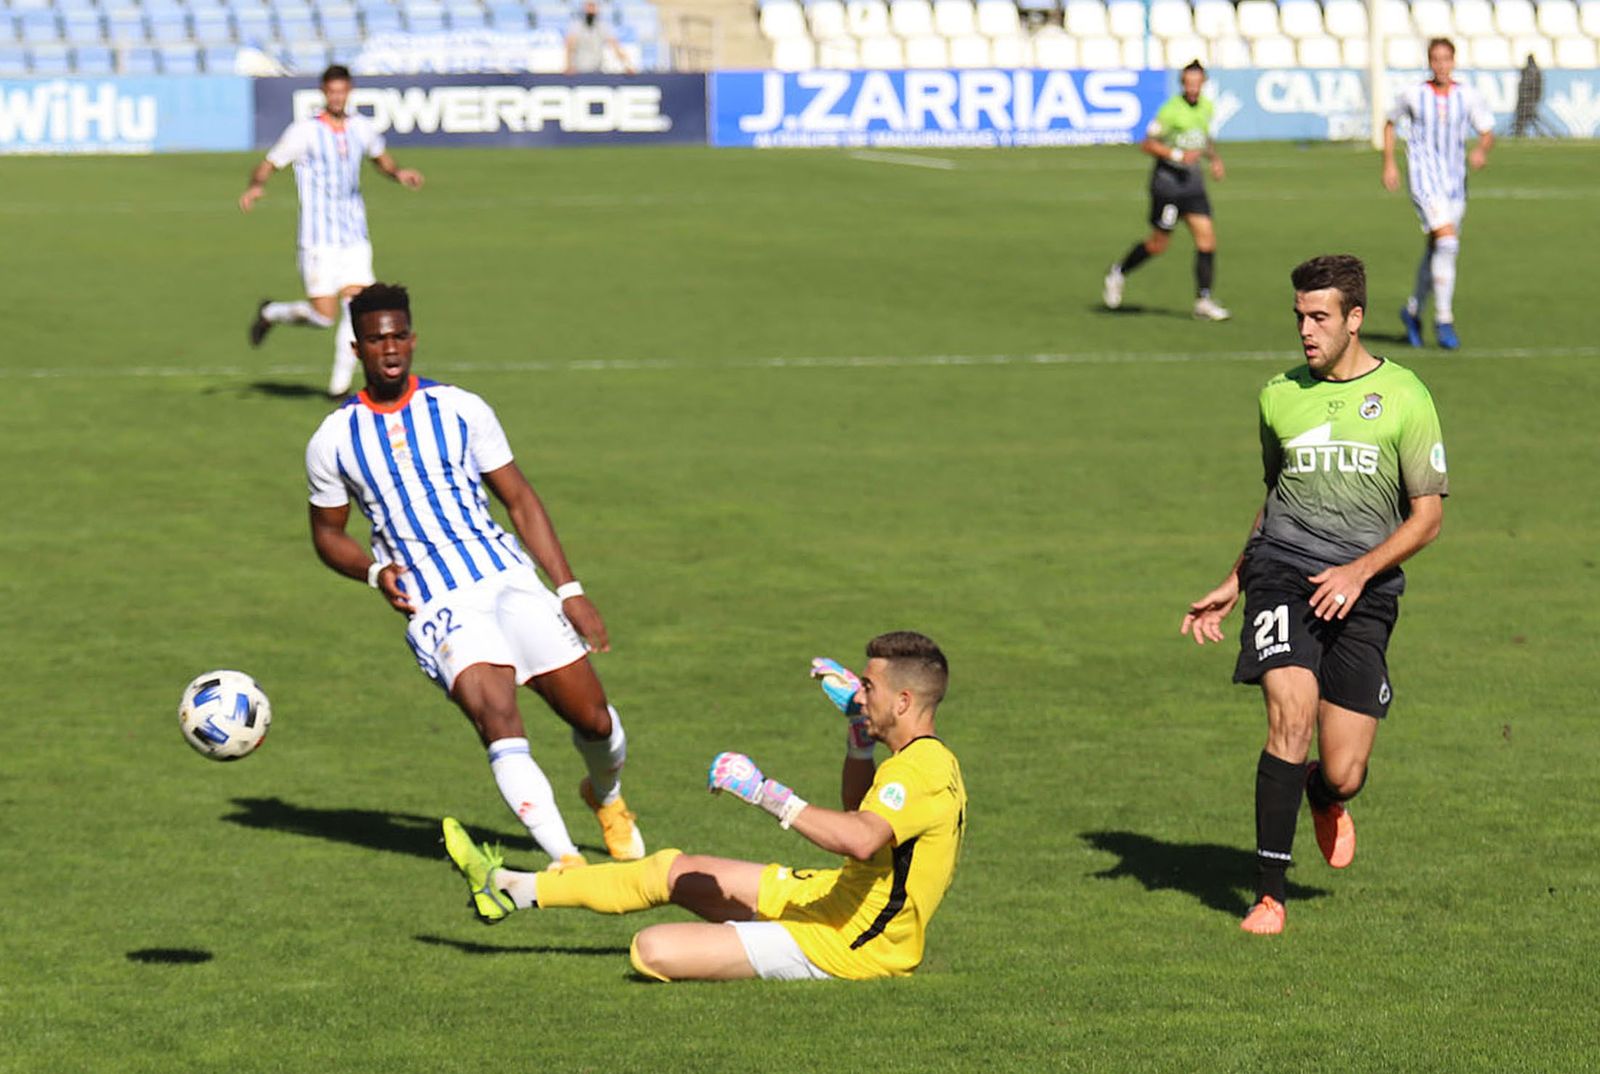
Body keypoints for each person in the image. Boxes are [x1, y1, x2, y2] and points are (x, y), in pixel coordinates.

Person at [305, 282, 644, 869]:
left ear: (413, 339)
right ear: (357, 348)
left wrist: (570, 591)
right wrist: (375, 570)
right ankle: (568, 865)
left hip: (507, 579)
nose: (390, 349)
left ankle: (606, 797)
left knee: (595, 720)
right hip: (437, 603)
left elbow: (519, 500)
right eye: (376, 339)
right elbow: (326, 535)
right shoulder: (332, 439)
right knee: (498, 719)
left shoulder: (462, 408)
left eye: (399, 336)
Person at [443, 632, 967, 982]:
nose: (859, 692)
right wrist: (858, 738)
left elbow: (859, 838)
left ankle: (763, 943)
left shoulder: (918, 771)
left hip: (853, 943)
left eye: (869, 687)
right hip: (837, 897)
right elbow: (860, 813)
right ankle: (510, 888)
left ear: (902, 701)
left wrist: (763, 790)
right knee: (674, 871)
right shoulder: (915, 762)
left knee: (652, 951)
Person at [1181, 255, 1449, 936]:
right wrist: (1236, 578)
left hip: (1366, 589)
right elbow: (1276, 500)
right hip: (1284, 575)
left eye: (1319, 317)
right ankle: (1269, 894)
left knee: (1346, 769)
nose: (1305, 329)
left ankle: (1324, 796)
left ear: (1355, 319)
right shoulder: (1278, 395)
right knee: (1289, 714)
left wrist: (1359, 573)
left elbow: (1428, 517)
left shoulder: (1406, 397)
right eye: (1299, 316)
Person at [240, 65, 424, 398]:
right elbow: (269, 163)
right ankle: (272, 312)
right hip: (317, 239)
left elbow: (379, 157)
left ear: (349, 91)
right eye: (332, 91)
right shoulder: (304, 132)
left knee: (357, 307)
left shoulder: (362, 128)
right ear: (324, 93)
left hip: (354, 235)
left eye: (343, 91)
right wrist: (255, 187)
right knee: (323, 316)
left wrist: (398, 174)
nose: (338, 97)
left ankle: (339, 388)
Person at [1382, 38, 1494, 351]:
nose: (1441, 65)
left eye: (1446, 59)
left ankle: (1413, 310)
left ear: (1454, 61)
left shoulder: (1468, 96)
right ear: (1429, 62)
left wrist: (1482, 151)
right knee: (1447, 242)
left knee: (1437, 249)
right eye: (1435, 59)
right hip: (1424, 179)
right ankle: (1444, 319)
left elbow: (1487, 131)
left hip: (1455, 183)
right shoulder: (1414, 95)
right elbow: (1389, 123)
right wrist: (1389, 163)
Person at [1102, 60, 1229, 321]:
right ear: (1182, 84)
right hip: (1168, 186)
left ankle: (1203, 300)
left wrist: (1214, 159)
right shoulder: (1170, 111)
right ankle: (1118, 272)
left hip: (1193, 185)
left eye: (1197, 82)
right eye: (1188, 83)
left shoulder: (1207, 106)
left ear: (1203, 83)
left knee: (1207, 240)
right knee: (1158, 244)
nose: (1193, 87)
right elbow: (1147, 144)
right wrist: (1176, 154)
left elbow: (1203, 139)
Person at [565, 1, 634, 75]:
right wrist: (569, 66)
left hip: (597, 71)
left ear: (597, 9)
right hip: (579, 71)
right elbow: (570, 47)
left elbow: (615, 47)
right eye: (588, 6)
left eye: (593, 6)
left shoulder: (603, 26)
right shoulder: (576, 26)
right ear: (584, 8)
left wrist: (627, 65)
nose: (590, 9)